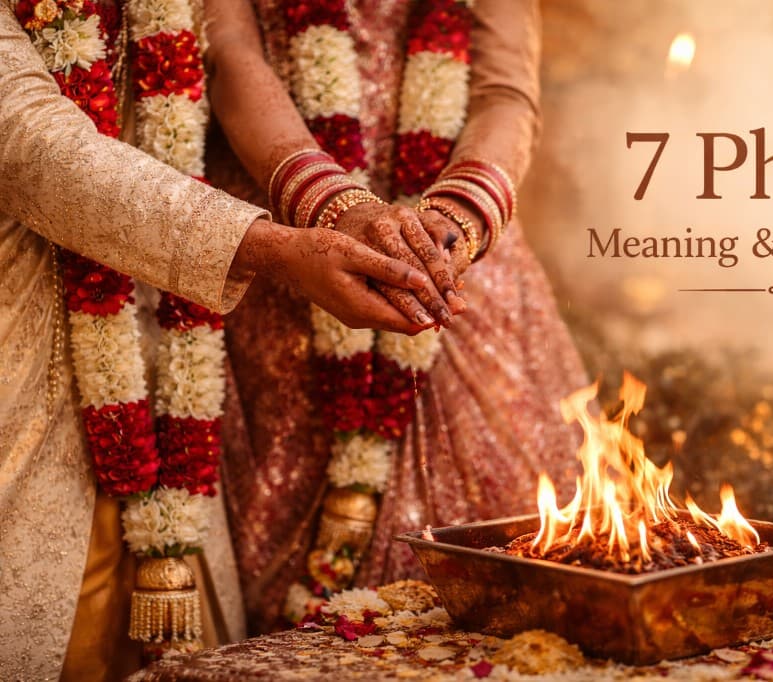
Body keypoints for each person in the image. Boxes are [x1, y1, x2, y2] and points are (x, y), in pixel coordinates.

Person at [0, 0, 449, 677]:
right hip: (23, 351)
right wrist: (271, 248)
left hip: (177, 335)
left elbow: (226, 52)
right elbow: (34, 147)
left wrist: (336, 205)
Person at [203, 0, 589, 632]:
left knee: (507, 596)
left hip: (452, 264)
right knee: (276, 576)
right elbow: (230, 54)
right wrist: (329, 203)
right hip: (288, 251)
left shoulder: (454, 234)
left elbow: (506, 91)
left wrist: (462, 214)